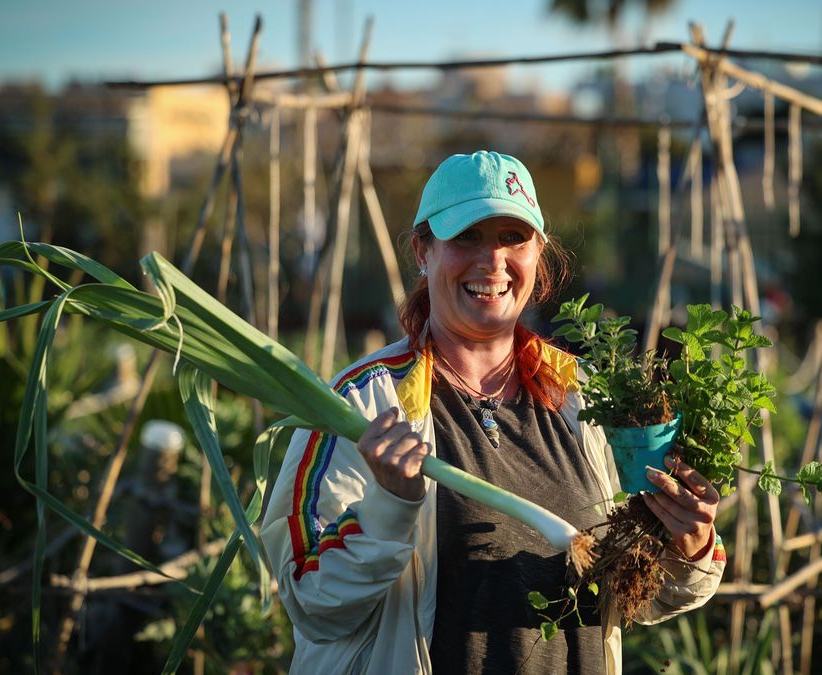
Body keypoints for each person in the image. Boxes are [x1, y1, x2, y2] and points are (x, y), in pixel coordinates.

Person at [261, 151, 725, 674]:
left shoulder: (586, 399)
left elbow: (636, 595)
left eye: (513, 237)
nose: (493, 260)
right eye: (468, 237)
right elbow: (310, 600)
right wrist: (388, 508)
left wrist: (688, 543)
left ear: (538, 254)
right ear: (423, 250)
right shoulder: (361, 405)